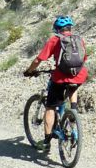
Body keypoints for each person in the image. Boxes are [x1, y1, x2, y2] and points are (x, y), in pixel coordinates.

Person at [23, 15, 88, 153]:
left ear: (57, 29)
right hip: (79, 75)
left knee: (50, 107)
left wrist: (29, 71)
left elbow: (38, 60)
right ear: (70, 28)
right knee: (73, 85)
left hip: (60, 78)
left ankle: (46, 142)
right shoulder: (79, 39)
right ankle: (73, 110)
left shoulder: (55, 40)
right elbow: (84, 58)